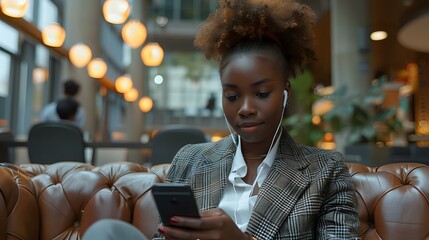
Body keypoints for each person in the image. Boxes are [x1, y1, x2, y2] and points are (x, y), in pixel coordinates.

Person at [84, 0, 360, 239]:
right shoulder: (190, 159)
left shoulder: (325, 170)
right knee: (105, 232)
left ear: (285, 94)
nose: (245, 108)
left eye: (262, 93)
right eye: (232, 97)